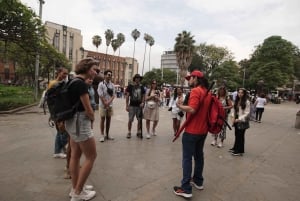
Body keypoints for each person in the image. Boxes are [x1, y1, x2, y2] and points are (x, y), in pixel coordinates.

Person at [173, 70, 211, 199]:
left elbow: (192, 109)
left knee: (187, 158)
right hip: (203, 131)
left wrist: (180, 106)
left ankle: (186, 188)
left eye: (190, 78)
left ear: (195, 78)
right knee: (199, 156)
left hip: (192, 131)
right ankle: (198, 181)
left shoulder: (196, 91)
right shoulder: (207, 92)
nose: (189, 80)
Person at [65, 58, 98, 201]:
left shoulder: (72, 81)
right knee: (91, 156)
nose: (95, 71)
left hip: (71, 122)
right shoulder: (81, 85)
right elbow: (88, 109)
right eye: (93, 69)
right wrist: (92, 118)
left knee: (75, 155)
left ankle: (75, 188)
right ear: (86, 69)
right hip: (80, 122)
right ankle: (78, 193)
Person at [48, 67, 69, 159]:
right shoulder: (53, 84)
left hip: (61, 111)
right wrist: (52, 114)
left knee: (60, 131)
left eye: (66, 74)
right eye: (64, 73)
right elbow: (50, 100)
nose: (65, 75)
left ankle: (58, 151)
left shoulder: (63, 83)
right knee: (62, 131)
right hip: (57, 111)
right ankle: (62, 150)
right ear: (59, 73)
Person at [229, 88, 250, 156]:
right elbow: (233, 109)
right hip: (236, 119)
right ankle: (235, 147)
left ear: (244, 94)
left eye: (242, 93)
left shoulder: (247, 102)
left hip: (242, 121)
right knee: (236, 134)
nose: (240, 94)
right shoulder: (236, 100)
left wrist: (239, 119)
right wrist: (232, 117)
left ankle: (239, 150)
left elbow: (247, 113)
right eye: (239, 92)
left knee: (240, 135)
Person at [125, 74, 146, 139]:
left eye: (139, 78)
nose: (137, 79)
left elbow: (143, 96)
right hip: (132, 106)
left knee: (139, 120)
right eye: (136, 78)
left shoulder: (142, 86)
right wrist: (126, 105)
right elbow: (127, 96)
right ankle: (129, 132)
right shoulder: (130, 86)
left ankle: (138, 132)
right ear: (134, 79)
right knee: (130, 120)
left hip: (139, 106)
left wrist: (143, 103)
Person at [97, 70, 115, 142]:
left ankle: (107, 134)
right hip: (102, 105)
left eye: (110, 75)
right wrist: (105, 103)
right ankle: (102, 135)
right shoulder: (101, 84)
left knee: (109, 119)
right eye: (108, 74)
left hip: (110, 105)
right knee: (102, 119)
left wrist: (108, 103)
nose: (109, 76)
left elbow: (113, 95)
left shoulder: (112, 85)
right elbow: (100, 95)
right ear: (104, 75)